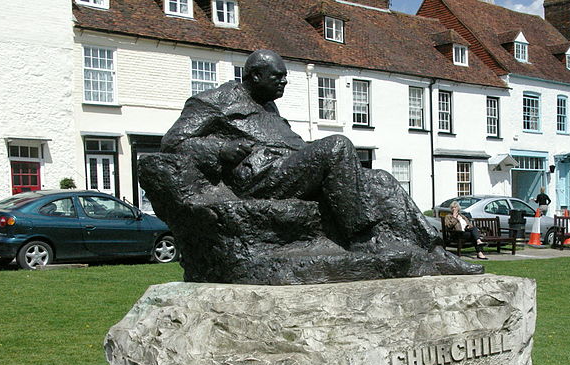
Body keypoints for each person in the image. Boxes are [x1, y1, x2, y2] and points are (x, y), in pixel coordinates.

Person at [160, 49, 478, 276]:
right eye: (278, 77)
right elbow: (174, 142)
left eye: (285, 76)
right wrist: (220, 150)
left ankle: (435, 251)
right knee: (336, 145)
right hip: (262, 176)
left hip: (291, 168)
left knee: (381, 178)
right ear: (255, 76)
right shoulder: (214, 101)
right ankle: (362, 242)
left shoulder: (268, 105)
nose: (284, 82)